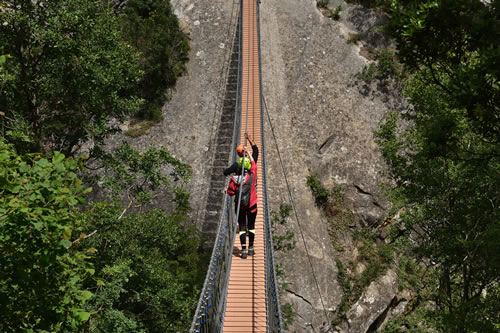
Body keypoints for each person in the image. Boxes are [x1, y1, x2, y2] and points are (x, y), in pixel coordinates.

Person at [224, 134, 258, 259]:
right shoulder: (253, 174)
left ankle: (243, 249)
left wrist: (227, 190)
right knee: (252, 226)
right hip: (252, 203)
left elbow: (230, 192)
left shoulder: (235, 178)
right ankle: (251, 248)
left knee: (242, 227)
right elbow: (255, 155)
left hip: (241, 205)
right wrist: (248, 149)